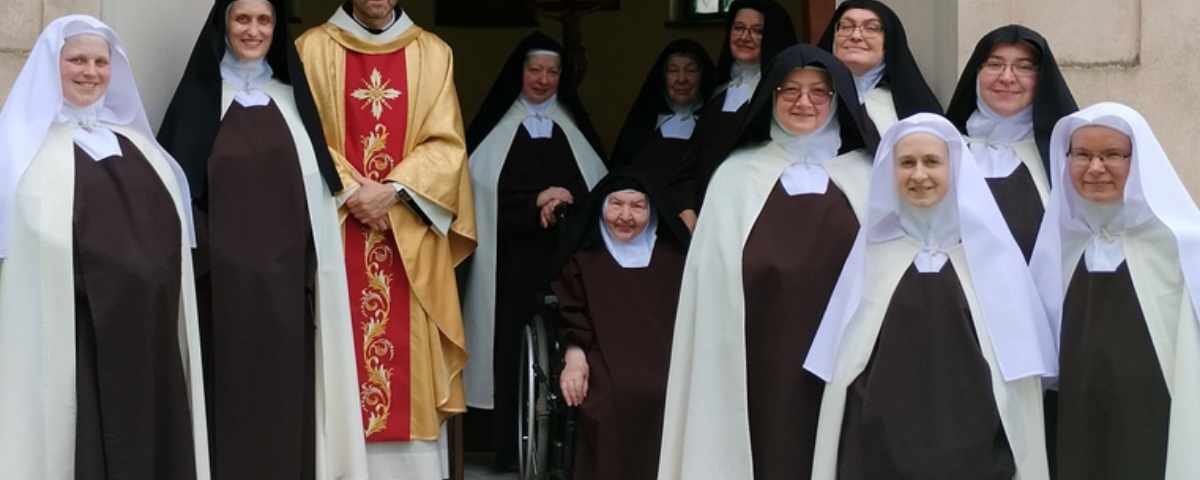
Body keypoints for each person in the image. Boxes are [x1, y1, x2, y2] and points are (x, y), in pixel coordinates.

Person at [157, 0, 365, 478]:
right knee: (230, 398)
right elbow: (177, 197)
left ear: (276, 28)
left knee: (285, 403)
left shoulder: (292, 102)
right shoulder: (200, 99)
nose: (253, 30)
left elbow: (317, 197)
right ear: (224, 25)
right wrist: (217, 259)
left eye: (264, 20)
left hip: (289, 291)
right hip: (221, 291)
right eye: (242, 19)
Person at [0, 15, 209, 479]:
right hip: (73, 330)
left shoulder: (139, 145)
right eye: (77, 60)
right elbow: (29, 238)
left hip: (148, 329)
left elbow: (172, 228)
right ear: (51, 65)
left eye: (100, 62)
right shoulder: (21, 148)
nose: (90, 72)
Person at [658, 44, 878, 480]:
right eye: (789, 90)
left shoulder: (869, 176)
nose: (803, 102)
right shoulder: (736, 175)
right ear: (770, 97)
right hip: (756, 352)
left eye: (819, 92)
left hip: (848, 352)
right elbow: (711, 277)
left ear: (838, 100)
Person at [805, 113, 1056, 480]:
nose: (919, 174)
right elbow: (845, 364)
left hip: (974, 451)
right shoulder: (873, 258)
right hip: (879, 448)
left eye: (932, 162)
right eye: (907, 163)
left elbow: (1018, 382)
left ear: (955, 169)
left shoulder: (992, 260)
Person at [295, 1, 477, 477]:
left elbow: (448, 146)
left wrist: (393, 190)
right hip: (337, 226)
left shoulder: (433, 53)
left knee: (410, 368)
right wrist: (351, 190)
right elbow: (300, 135)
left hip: (408, 232)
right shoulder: (310, 50)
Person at [460, 31, 608, 470]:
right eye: (535, 70)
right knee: (507, 349)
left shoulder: (573, 128)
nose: (543, 80)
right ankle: (510, 450)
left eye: (552, 72)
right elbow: (478, 193)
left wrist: (563, 200)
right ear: (519, 73)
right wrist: (534, 202)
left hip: (564, 260)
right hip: (509, 262)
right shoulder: (498, 129)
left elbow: (599, 190)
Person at [1030, 102, 1200, 479]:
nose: (1095, 168)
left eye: (1111, 155)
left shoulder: (1180, 246)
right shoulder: (1059, 245)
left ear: (1138, 162)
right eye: (1082, 155)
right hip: (1076, 422)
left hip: (1156, 423)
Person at [552, 171, 691, 480]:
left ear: (653, 211)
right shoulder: (582, 259)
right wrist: (574, 358)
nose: (625, 216)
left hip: (668, 360)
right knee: (609, 401)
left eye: (637, 206)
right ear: (601, 207)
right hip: (601, 359)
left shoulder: (675, 260)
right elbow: (571, 315)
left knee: (675, 397)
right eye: (616, 204)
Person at [946, 25, 1077, 260]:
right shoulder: (943, 150)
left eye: (1024, 67)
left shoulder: (1066, 154)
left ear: (1042, 78)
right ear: (976, 73)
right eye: (994, 65)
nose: (1006, 78)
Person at [673, 0, 796, 227]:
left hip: (757, 218)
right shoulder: (719, 93)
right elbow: (693, 159)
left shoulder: (785, 98)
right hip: (705, 218)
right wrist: (687, 208)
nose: (744, 37)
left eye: (757, 31)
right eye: (738, 28)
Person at [609, 38, 715, 204]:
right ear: (663, 76)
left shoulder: (715, 123)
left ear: (703, 75)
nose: (681, 79)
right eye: (673, 70)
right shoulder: (641, 125)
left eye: (691, 70)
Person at [817, 0, 942, 134]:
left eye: (871, 28)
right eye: (846, 27)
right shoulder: (807, 93)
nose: (855, 36)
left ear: (888, 41)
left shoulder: (916, 104)